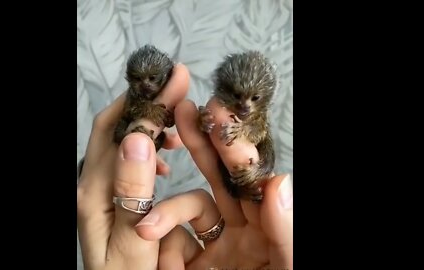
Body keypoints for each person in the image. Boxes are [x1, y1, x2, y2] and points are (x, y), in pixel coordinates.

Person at [77, 64, 293, 269]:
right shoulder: (213, 113)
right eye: (238, 96)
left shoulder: (255, 123)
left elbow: (257, 133)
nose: (245, 106)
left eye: (254, 98)